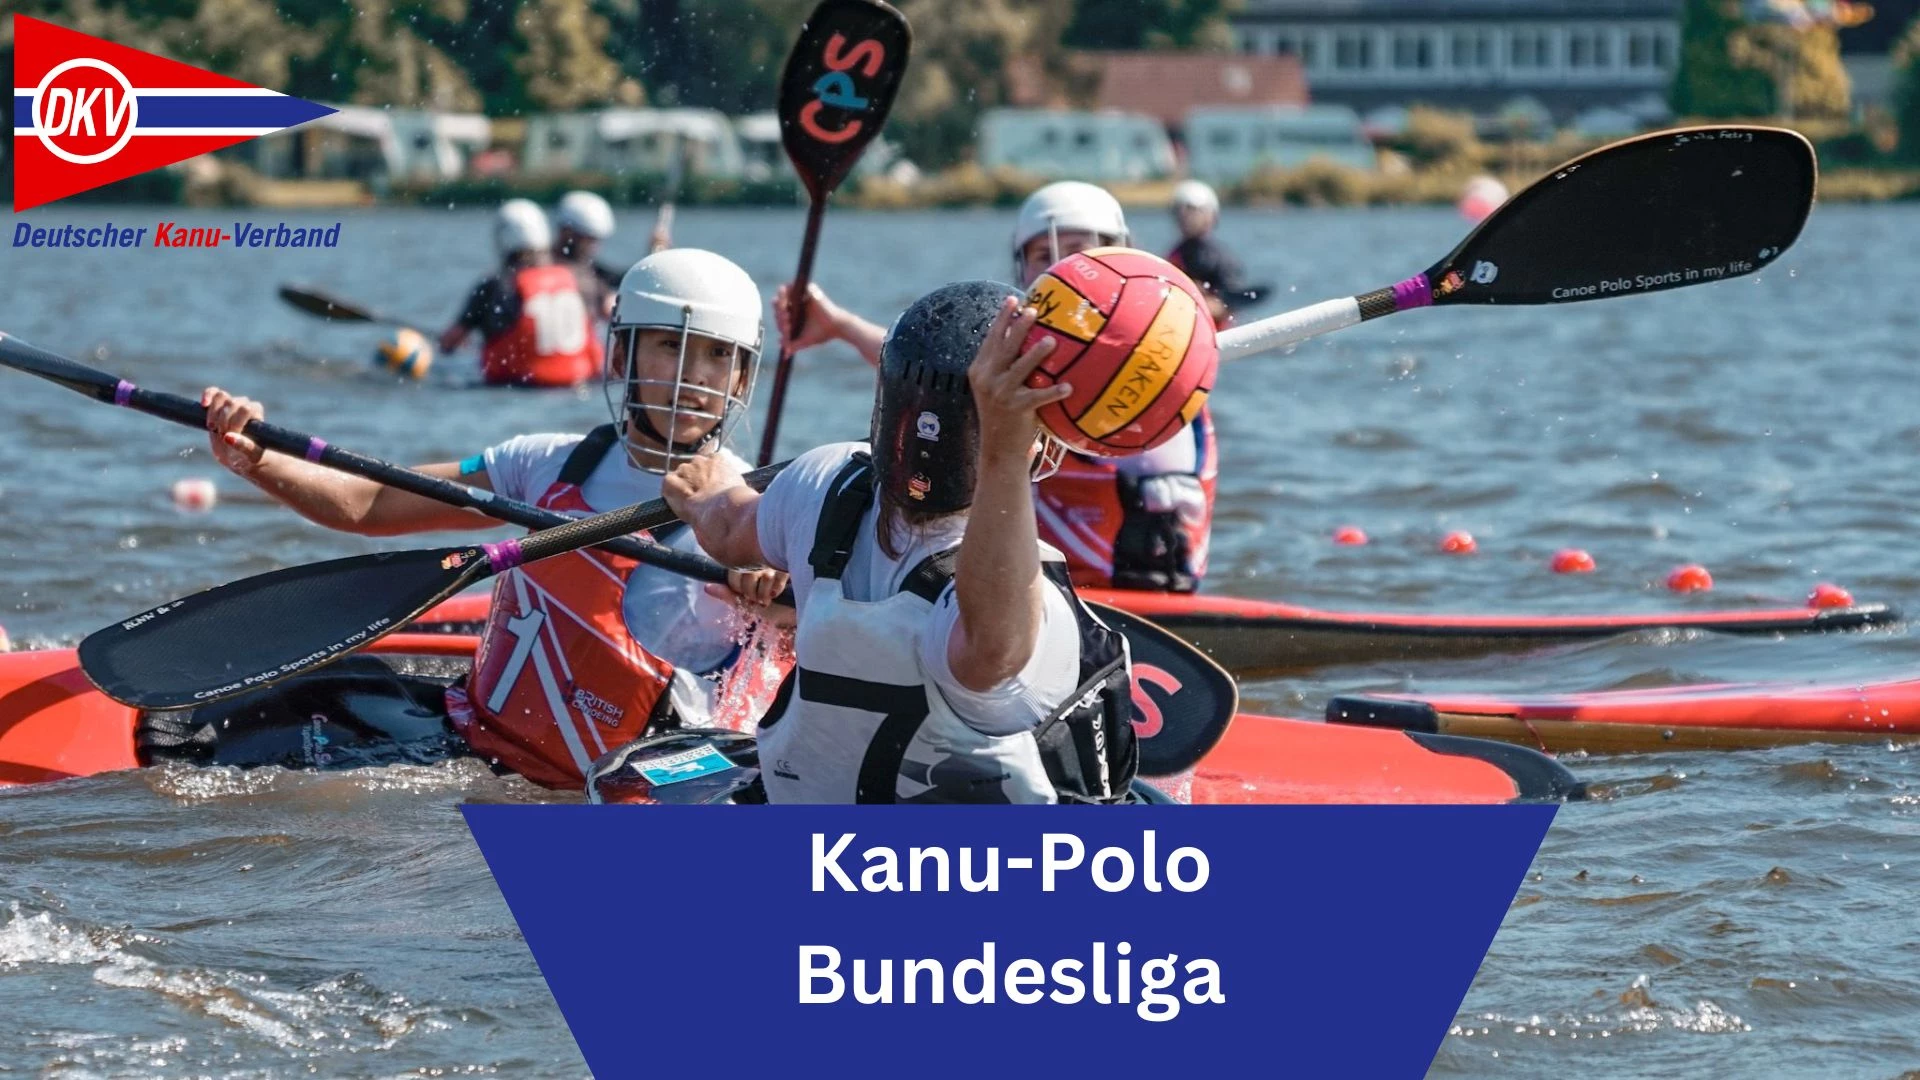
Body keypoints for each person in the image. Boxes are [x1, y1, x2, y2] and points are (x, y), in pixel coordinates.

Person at [190, 249, 788, 790]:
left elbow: (815, 635)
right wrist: (257, 459)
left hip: (636, 780)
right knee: (279, 710)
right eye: (669, 346)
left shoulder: (757, 513)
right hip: (478, 739)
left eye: (718, 354)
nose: (694, 376)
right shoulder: (546, 462)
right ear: (619, 356)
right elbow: (369, 504)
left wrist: (778, 601)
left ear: (742, 376)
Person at [661, 280, 1141, 804]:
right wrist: (1005, 450)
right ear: (1030, 442)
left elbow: (728, 531)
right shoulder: (1034, 606)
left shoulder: (822, 483)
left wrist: (707, 493)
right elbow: (991, 654)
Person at [768, 180, 1217, 593]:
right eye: (1042, 256)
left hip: (1145, 593)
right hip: (1043, 590)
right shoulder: (1019, 369)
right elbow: (936, 376)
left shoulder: (1152, 372)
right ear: (1024, 273)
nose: (1063, 269)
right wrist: (842, 326)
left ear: (1122, 257)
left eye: (1078, 251)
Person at [439, 199, 604, 388]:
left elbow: (449, 342)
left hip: (517, 386)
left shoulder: (495, 285)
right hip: (580, 384)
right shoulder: (581, 278)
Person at [1167, 179, 1268, 326]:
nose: (1185, 216)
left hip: (1212, 331)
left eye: (1192, 210)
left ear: (1211, 215)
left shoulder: (1220, 258)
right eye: (1180, 210)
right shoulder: (1176, 253)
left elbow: (1229, 303)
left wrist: (1189, 303)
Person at [554, 190, 620, 320]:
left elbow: (621, 278)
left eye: (597, 240)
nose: (595, 246)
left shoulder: (590, 269)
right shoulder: (548, 269)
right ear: (567, 232)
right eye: (589, 239)